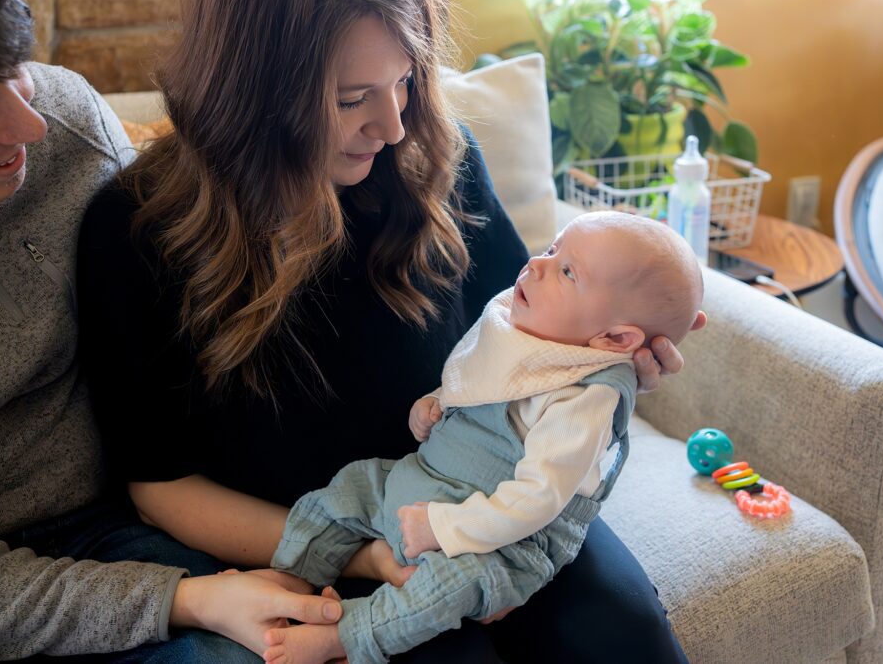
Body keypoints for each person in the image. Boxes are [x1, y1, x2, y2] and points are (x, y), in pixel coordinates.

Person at [78, 0, 705, 662]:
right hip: (330, 533)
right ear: (253, 97)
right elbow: (160, 487)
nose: (393, 125)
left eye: (403, 81)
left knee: (624, 636)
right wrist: (371, 554)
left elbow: (538, 338)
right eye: (351, 99)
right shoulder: (135, 233)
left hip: (491, 498)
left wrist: (611, 367)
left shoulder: (439, 161)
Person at [0, 0, 347, 660]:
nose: (28, 127)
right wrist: (186, 599)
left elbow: (178, 339)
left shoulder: (69, 123)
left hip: (132, 518)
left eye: (15, 73)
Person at [265, 211, 704, 664]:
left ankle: (348, 635)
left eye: (567, 271)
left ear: (614, 337)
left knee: (447, 588)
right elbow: (483, 378)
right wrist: (437, 401)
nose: (536, 264)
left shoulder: (585, 397)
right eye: (552, 249)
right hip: (424, 481)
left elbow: (536, 500)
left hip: (503, 536)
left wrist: (443, 526)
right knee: (344, 491)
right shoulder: (525, 323)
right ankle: (290, 585)